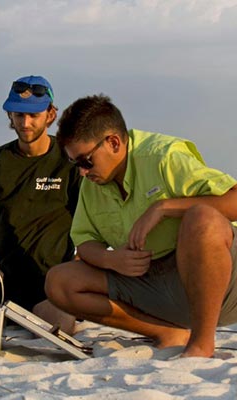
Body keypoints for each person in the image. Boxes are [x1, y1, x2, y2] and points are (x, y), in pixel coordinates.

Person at [45, 94, 237, 358]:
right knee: (59, 280)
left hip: (220, 284)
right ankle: (166, 332)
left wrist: (164, 207)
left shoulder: (163, 157)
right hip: (152, 283)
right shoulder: (92, 184)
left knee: (202, 219)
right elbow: (85, 241)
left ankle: (201, 344)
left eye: (85, 161)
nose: (82, 172)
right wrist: (111, 260)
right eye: (75, 163)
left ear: (113, 142)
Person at [0, 75, 81, 334]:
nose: (25, 123)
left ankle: (25, 315)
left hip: (51, 279)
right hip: (5, 277)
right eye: (18, 115)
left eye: (33, 115)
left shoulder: (70, 160)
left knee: (61, 327)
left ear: (50, 115)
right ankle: (10, 313)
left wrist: (77, 274)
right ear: (10, 116)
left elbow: (88, 223)